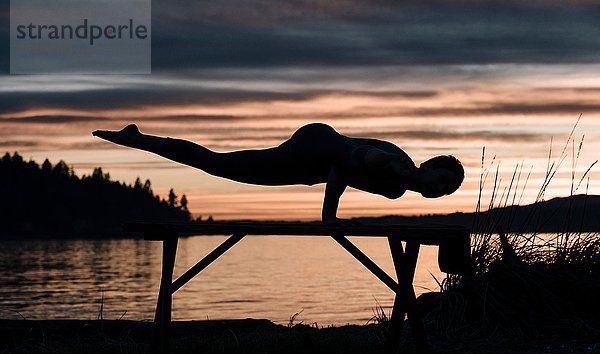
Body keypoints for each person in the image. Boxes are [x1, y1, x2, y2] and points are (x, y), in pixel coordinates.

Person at [92, 122, 464, 224]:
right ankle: (139, 140)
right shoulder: (396, 163)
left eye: (445, 192)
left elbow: (343, 173)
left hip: (308, 164)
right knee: (221, 165)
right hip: (315, 146)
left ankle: (140, 140)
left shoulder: (397, 191)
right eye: (442, 180)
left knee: (219, 166)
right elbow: (345, 164)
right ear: (429, 165)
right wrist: (329, 217)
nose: (439, 189)